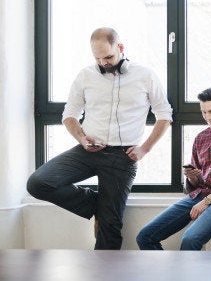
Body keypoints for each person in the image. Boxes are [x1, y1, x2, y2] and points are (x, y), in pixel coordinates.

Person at [26, 27, 173, 250]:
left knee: (110, 227)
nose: (103, 62)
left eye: (108, 57)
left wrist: (144, 149)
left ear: (120, 48)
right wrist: (82, 138)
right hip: (88, 150)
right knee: (37, 183)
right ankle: (96, 204)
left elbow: (164, 115)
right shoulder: (85, 76)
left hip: (123, 157)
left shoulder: (146, 75)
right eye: (97, 58)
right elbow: (69, 115)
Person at [136, 87, 211, 250]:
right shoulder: (201, 137)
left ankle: (189, 276)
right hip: (201, 194)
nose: (208, 117)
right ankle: (165, 276)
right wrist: (193, 177)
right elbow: (197, 182)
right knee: (145, 236)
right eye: (204, 112)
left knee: (190, 240)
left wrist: (206, 202)